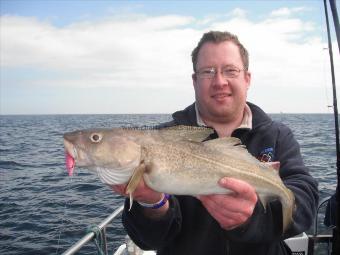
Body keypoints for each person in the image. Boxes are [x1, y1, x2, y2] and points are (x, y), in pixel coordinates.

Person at [111, 31, 319, 255]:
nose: (220, 81)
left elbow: (305, 197)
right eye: (208, 72)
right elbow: (148, 241)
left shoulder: (277, 135)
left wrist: (252, 218)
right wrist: (152, 205)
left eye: (230, 70)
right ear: (194, 80)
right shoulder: (161, 139)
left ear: (247, 79)